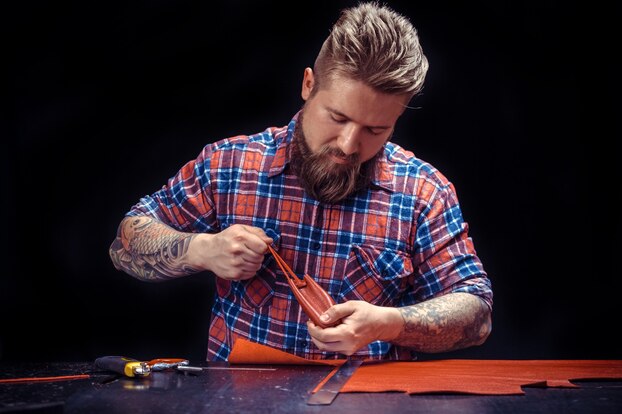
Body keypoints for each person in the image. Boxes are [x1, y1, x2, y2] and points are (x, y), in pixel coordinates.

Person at [109, 1, 493, 362]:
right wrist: (200, 249)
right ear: (309, 85)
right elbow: (125, 242)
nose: (348, 145)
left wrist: (388, 323)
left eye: (376, 130)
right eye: (338, 118)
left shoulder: (423, 192)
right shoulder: (230, 165)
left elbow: (476, 313)